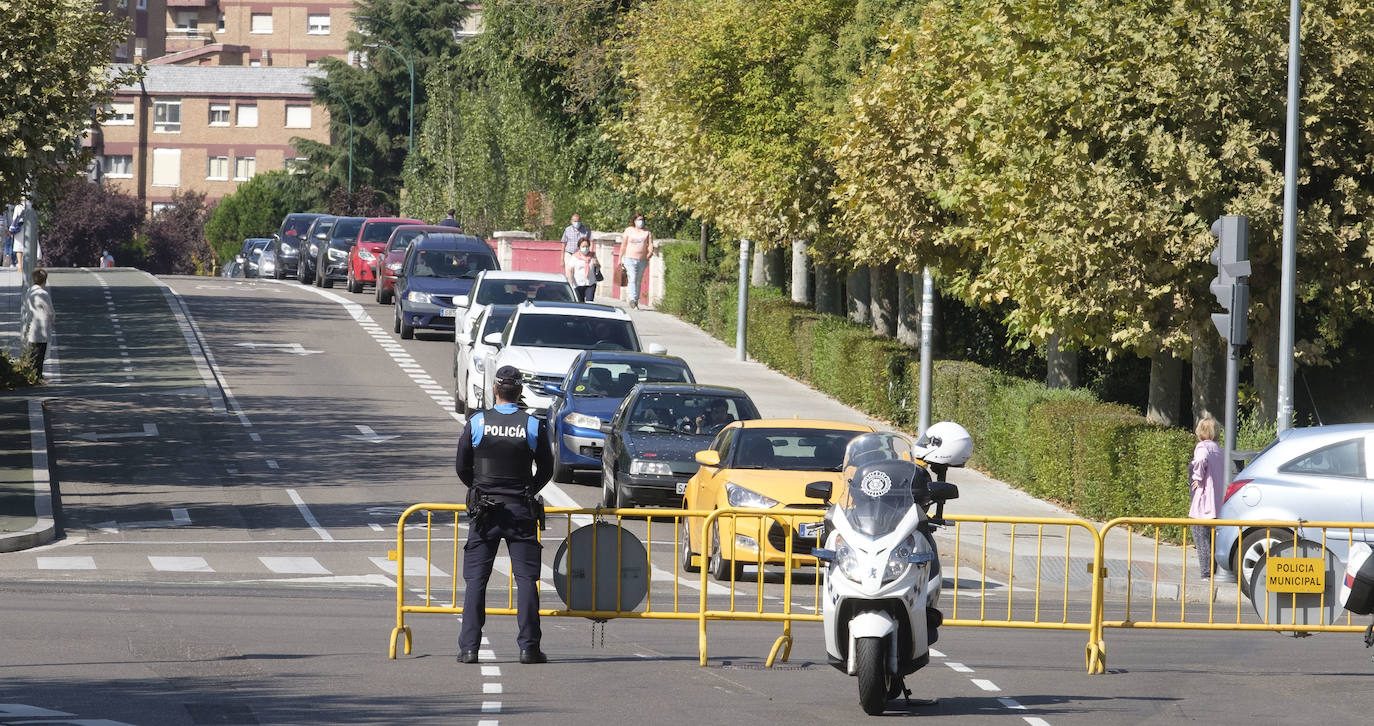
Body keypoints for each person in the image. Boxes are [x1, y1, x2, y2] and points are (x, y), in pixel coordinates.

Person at [454, 365, 554, 665]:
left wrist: (479, 488)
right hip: (520, 510)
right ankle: (529, 648)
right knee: (526, 580)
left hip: (485, 511)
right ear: (520, 391)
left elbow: (461, 466)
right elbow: (547, 469)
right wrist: (527, 489)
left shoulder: (478, 422)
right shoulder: (533, 425)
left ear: (495, 390)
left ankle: (469, 648)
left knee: (476, 581)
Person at [1188, 416, 1225, 580]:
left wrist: (1197, 477)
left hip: (1204, 500)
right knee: (1212, 538)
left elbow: (1201, 460)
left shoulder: (1202, 447)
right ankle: (1215, 569)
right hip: (1217, 501)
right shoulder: (1219, 449)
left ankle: (1206, 572)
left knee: (1199, 535)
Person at [616, 213, 655, 309]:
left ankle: (636, 299)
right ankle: (632, 299)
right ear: (634, 221)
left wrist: (650, 252)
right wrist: (620, 258)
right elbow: (624, 245)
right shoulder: (629, 231)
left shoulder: (647, 232)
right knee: (632, 278)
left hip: (642, 259)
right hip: (629, 258)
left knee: (638, 280)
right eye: (638, 219)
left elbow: (650, 244)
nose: (640, 222)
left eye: (642, 220)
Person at [21, 268, 53, 379]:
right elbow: (50, 310)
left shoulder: (29, 291)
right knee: (40, 353)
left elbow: (25, 306)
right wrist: (53, 320)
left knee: (33, 351)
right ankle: (38, 375)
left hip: (31, 325)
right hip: (42, 327)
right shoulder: (43, 293)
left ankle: (32, 373)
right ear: (44, 280)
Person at [565, 238, 600, 302]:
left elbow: (598, 267)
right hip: (578, 284)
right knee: (580, 302)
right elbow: (570, 270)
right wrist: (571, 282)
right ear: (579, 247)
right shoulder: (575, 257)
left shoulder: (593, 255)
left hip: (590, 283)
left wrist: (596, 263)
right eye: (583, 246)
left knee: (590, 301)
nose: (585, 248)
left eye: (587, 246)